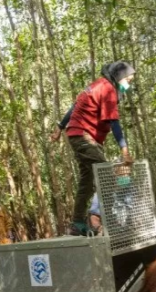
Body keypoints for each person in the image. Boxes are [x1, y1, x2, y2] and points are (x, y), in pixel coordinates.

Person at [51, 61, 136, 236]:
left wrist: (60, 127)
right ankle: (95, 217)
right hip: (83, 135)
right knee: (106, 175)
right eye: (129, 79)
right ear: (120, 77)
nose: (130, 82)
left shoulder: (97, 86)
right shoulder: (108, 90)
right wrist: (124, 150)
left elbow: (74, 107)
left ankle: (77, 224)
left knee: (87, 183)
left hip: (78, 135)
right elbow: (114, 122)